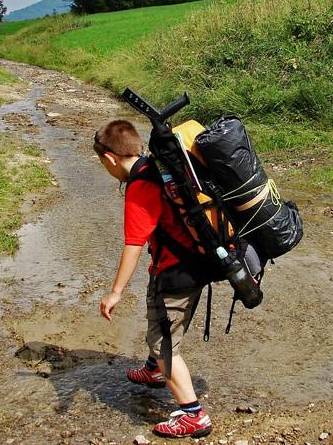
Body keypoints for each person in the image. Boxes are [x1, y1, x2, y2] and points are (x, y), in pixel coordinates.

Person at [93, 119, 213, 439]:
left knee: (164, 344)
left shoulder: (141, 184)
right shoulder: (154, 165)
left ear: (110, 159)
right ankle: (153, 371)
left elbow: (133, 242)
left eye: (103, 164)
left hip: (176, 271)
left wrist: (115, 292)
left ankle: (193, 415)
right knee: (161, 322)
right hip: (193, 262)